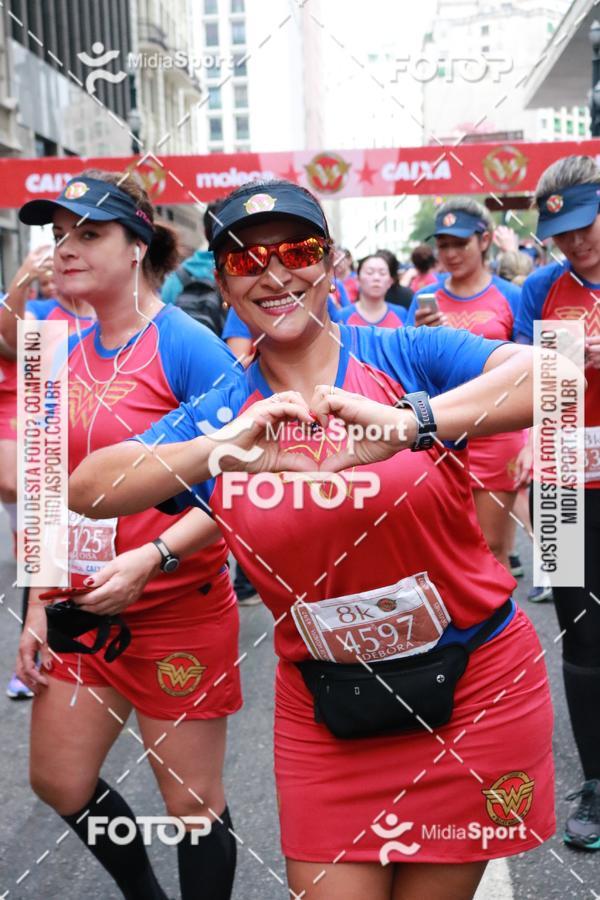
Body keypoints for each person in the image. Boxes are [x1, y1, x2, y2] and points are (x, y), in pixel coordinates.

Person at [70, 179, 556, 900]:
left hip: (473, 686)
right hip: (327, 713)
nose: (274, 273)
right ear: (223, 285)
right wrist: (224, 450)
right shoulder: (224, 409)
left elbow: (560, 376)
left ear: (329, 262)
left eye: (297, 250)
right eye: (244, 260)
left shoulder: (404, 356)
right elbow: (89, 488)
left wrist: (412, 422)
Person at [15, 171, 242, 899]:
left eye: (88, 234)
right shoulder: (55, 352)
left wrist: (155, 555)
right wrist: (37, 602)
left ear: (137, 245)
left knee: (192, 808)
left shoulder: (187, 345)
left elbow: (245, 488)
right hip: (82, 611)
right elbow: (48, 488)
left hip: (179, 611)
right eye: (58, 237)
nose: (65, 250)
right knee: (58, 779)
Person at [515, 155, 600, 850]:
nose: (577, 242)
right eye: (563, 233)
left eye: (585, 225)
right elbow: (516, 380)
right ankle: (597, 782)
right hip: (563, 479)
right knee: (580, 636)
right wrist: (562, 364)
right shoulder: (541, 288)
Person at [406, 199, 527, 573]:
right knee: (444, 549)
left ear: (485, 240)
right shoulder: (425, 300)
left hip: (497, 436)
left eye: (460, 243)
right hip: (440, 435)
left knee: (492, 548)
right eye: (443, 245)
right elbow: (408, 373)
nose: (451, 253)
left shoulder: (511, 295)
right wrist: (427, 340)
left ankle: (498, 631)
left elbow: (528, 373)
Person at [0, 246, 95, 700]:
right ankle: (35, 662)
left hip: (97, 450)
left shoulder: (109, 312)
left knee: (92, 557)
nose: (61, 275)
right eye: (53, 268)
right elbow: (9, 340)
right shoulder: (38, 312)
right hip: (46, 445)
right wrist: (20, 280)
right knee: (41, 556)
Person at [336, 253, 406, 328]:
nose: (376, 278)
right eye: (369, 272)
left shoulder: (401, 314)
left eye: (382, 273)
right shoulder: (342, 316)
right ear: (357, 280)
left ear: (390, 281)